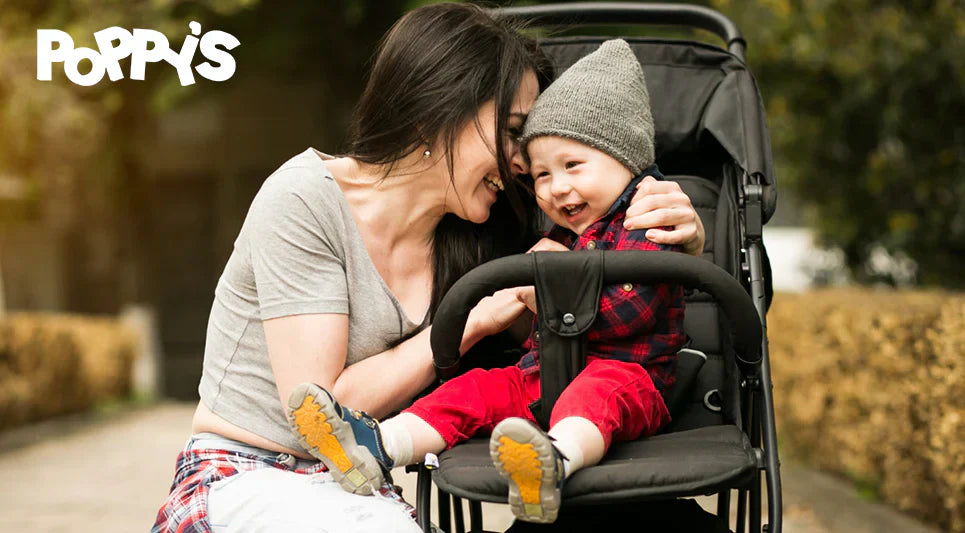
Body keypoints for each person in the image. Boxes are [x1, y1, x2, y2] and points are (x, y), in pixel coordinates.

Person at [151, 3, 706, 532]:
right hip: (247, 474)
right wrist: (472, 320)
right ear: (444, 106)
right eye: (514, 133)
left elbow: (567, 333)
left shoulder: (487, 227)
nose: (523, 165)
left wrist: (686, 244)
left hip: (360, 489)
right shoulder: (304, 201)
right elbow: (323, 415)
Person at [285, 39, 687, 525]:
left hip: (627, 378)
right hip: (544, 378)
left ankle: (552, 463)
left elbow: (629, 315)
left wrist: (548, 296)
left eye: (573, 166)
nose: (554, 186)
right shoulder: (555, 232)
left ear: (627, 160)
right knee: (472, 391)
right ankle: (376, 446)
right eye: (541, 174)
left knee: (594, 395)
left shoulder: (648, 219)